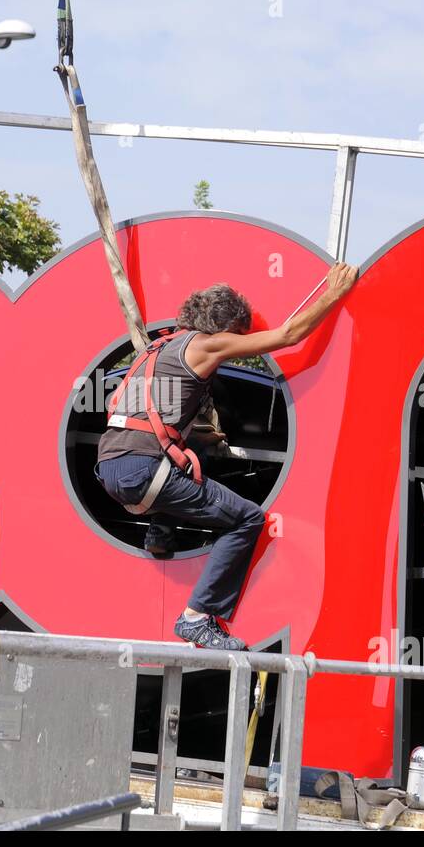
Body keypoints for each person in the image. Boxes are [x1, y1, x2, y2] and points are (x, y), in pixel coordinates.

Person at [95, 262, 360, 649]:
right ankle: (198, 616)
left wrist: (204, 435)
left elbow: (155, 420)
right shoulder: (206, 344)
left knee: (197, 449)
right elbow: (288, 335)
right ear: (226, 329)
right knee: (247, 519)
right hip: (143, 471)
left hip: (112, 467)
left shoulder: (161, 348)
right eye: (239, 337)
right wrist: (335, 292)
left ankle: (161, 529)